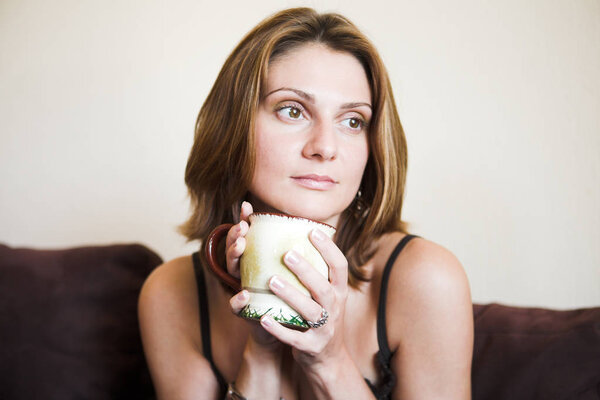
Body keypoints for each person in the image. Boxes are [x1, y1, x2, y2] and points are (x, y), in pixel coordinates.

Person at [138, 7, 473, 400]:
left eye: (352, 121)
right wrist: (261, 353)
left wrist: (328, 362)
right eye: (292, 110)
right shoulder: (172, 294)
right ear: (233, 127)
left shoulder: (427, 280)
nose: (325, 148)